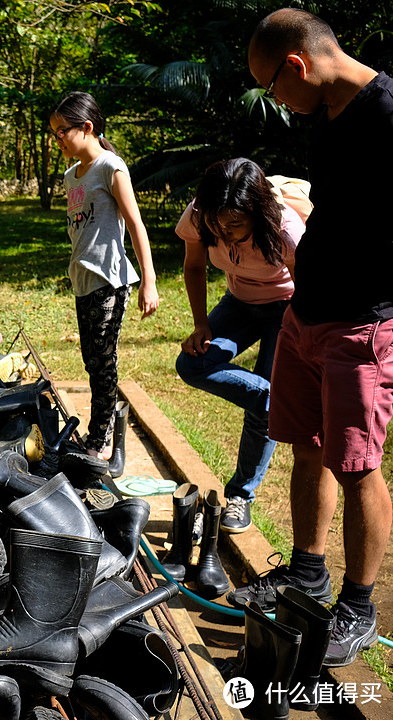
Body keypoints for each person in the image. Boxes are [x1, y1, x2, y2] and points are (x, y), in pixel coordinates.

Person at [231, 8, 393, 668]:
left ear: (295, 65)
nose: (280, 104)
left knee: (359, 469)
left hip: (361, 325)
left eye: (272, 88)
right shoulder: (328, 117)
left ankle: (357, 603)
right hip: (306, 314)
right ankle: (305, 572)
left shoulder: (387, 114)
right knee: (304, 447)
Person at [175, 158, 307, 534]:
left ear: (258, 211)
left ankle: (240, 497)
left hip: (287, 307)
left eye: (236, 224)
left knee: (262, 411)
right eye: (219, 224)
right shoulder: (202, 213)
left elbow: (307, 287)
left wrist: (304, 335)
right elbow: (194, 266)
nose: (225, 232)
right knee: (192, 365)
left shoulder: (285, 228)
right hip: (238, 303)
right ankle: (273, 400)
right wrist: (201, 324)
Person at [49, 91, 159, 463]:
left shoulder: (111, 168)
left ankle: (100, 440)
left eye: (63, 131)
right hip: (83, 279)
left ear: (88, 127)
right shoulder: (71, 176)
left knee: (102, 361)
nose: (58, 139)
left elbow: (135, 224)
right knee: (91, 360)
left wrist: (149, 280)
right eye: (54, 133)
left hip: (110, 279)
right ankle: (108, 424)